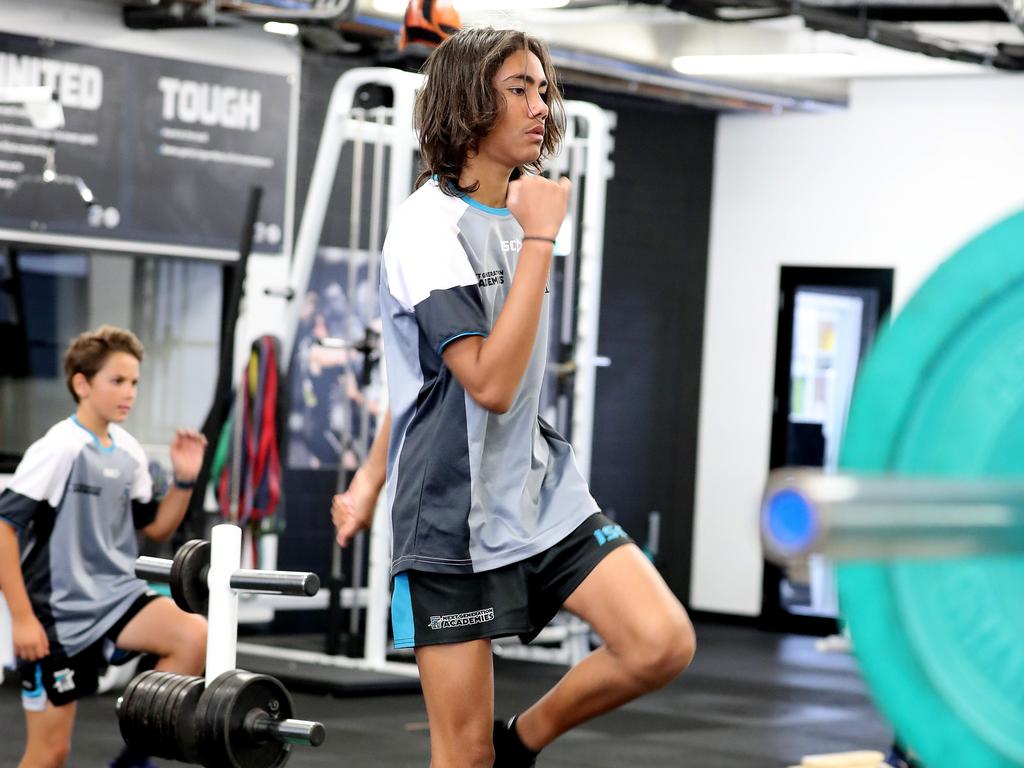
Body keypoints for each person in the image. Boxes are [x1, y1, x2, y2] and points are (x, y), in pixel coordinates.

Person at [331, 27, 696, 768]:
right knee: (460, 757)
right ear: (469, 103)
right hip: (449, 517)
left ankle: (520, 742)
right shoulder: (426, 229)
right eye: (519, 89)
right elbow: (487, 385)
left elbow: (418, 380)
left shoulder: (514, 216)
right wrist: (540, 241)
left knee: (661, 643)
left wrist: (369, 474)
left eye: (542, 88)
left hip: (537, 491)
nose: (540, 106)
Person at [0, 325, 209, 768]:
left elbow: (155, 526)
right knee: (50, 753)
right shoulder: (59, 448)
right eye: (117, 381)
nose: (129, 392)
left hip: (116, 596)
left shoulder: (129, 451)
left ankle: (135, 759)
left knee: (194, 636)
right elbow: (3, 528)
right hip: (58, 614)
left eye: (134, 382)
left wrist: (185, 479)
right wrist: (21, 619)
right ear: (82, 384)